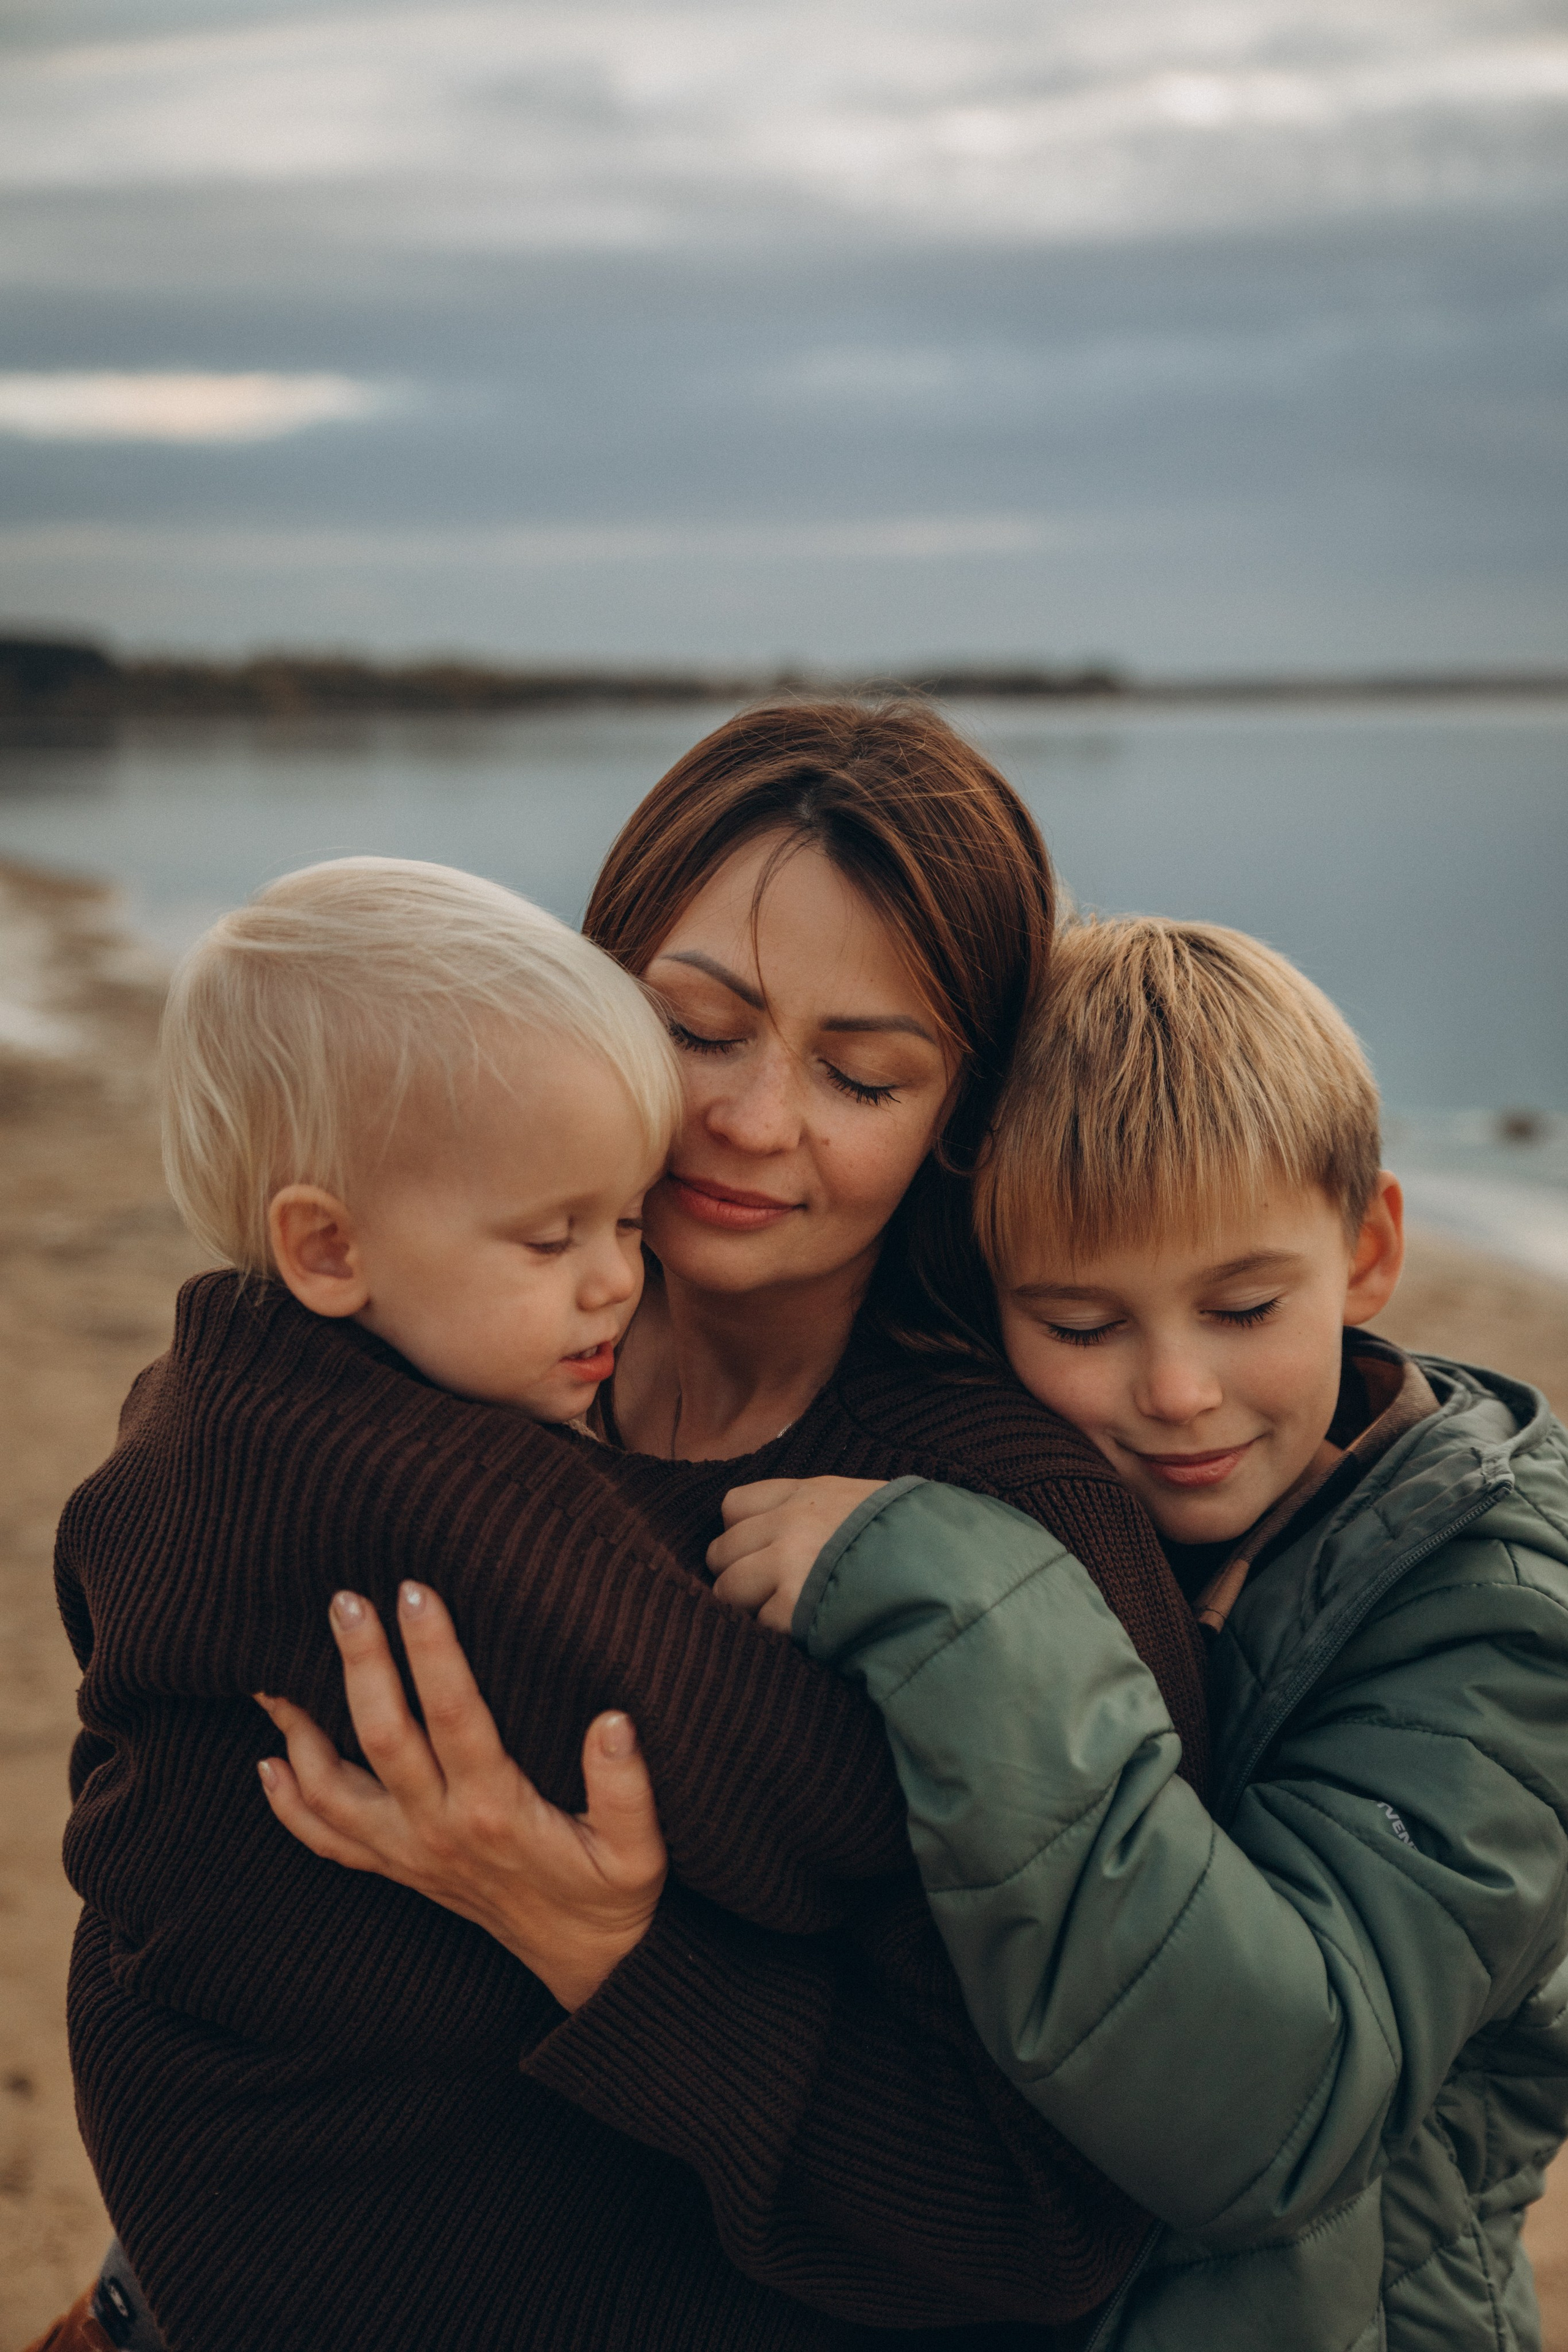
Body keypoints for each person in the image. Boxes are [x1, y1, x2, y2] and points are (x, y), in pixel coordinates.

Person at [42, 709, 1209, 2352]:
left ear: (957, 1116)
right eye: (696, 1030)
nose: (746, 1118)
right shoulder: (402, 1344)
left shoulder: (1013, 1525)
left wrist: (606, 1948)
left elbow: (1030, 2220)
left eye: (860, 1073)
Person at [711, 917, 1568, 2351]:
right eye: (1081, 1324)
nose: (1176, 1391)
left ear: (1366, 1255)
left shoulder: (1495, 1619)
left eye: (1242, 1308)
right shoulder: (1068, 1504)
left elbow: (1283, 2108)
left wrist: (966, 1606)